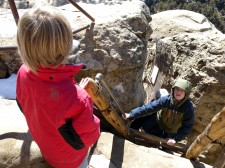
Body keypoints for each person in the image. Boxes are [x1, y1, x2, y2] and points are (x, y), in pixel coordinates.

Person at [16, 6, 100, 168]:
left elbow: (23, 105)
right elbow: (89, 137)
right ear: (65, 48)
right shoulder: (78, 99)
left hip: (46, 147)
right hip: (71, 160)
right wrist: (84, 97)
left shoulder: (23, 73)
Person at [123, 78, 194, 146]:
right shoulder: (166, 100)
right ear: (173, 90)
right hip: (158, 124)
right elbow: (149, 107)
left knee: (164, 145)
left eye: (182, 90)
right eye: (177, 89)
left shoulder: (188, 108)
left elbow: (187, 126)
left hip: (170, 133)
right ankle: (131, 133)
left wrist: (176, 139)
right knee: (142, 117)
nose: (178, 92)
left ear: (186, 93)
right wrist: (131, 114)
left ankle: (160, 144)